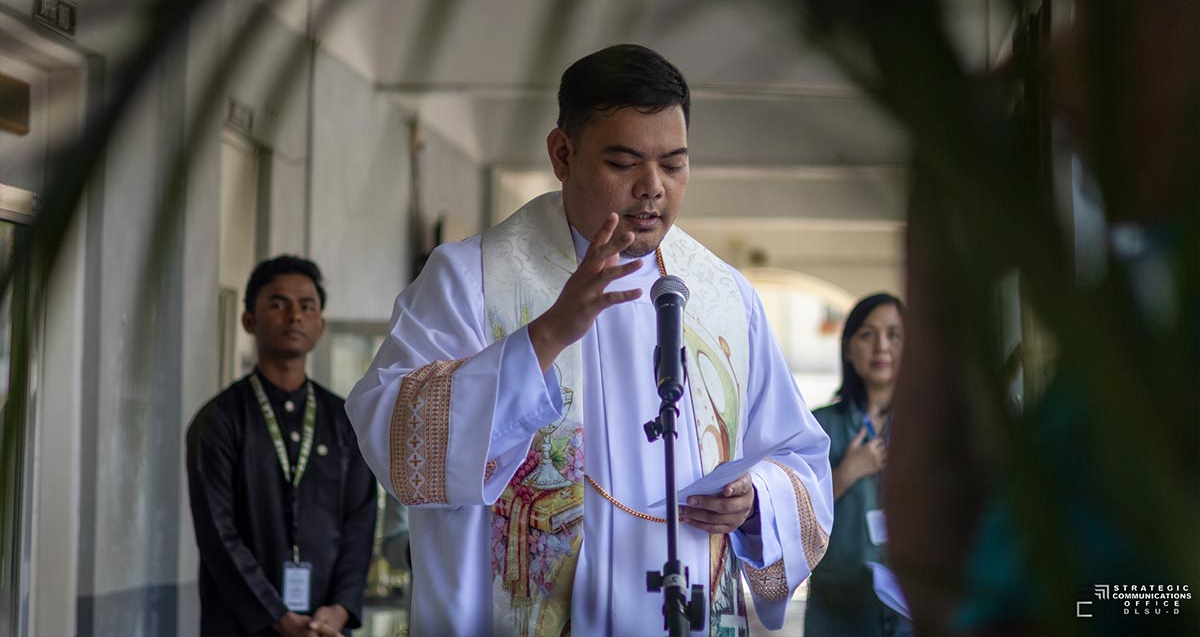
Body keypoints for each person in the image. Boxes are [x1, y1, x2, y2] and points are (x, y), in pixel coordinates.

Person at [345, 43, 833, 636]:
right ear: (562, 153)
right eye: (624, 163)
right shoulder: (469, 278)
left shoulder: (725, 297)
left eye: (674, 165)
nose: (652, 188)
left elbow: (799, 457)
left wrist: (755, 500)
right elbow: (393, 433)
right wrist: (547, 335)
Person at [186, 256, 378, 637]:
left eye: (306, 306)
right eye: (278, 303)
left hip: (325, 628)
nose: (294, 316)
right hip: (241, 625)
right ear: (248, 321)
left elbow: (361, 521)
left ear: (320, 326)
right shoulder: (219, 420)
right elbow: (217, 534)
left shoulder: (344, 418)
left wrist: (339, 610)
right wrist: (278, 616)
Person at [805, 293, 911, 637]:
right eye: (868, 334)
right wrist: (847, 472)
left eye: (894, 335)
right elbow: (795, 511)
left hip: (912, 609)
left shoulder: (928, 427)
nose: (882, 346)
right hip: (837, 611)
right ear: (848, 349)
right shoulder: (819, 426)